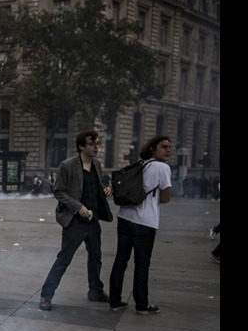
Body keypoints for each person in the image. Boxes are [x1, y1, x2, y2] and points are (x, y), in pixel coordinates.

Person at [38, 131, 114, 312]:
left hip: (92, 220)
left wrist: (104, 191)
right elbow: (59, 192)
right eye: (92, 143)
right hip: (75, 221)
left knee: (96, 257)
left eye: (98, 143)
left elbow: (92, 188)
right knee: (64, 258)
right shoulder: (68, 165)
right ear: (81, 146)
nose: (96, 147)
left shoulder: (96, 164)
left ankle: (95, 290)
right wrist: (77, 207)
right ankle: (46, 296)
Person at [107, 135, 173, 315]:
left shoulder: (141, 164)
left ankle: (114, 301)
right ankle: (142, 304)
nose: (168, 150)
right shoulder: (163, 168)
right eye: (164, 147)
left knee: (120, 260)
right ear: (153, 148)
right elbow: (166, 198)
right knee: (142, 264)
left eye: (169, 147)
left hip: (125, 218)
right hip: (145, 222)